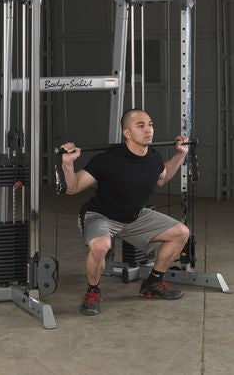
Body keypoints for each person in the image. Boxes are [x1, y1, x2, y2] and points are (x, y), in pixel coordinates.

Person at [60, 108, 191, 316]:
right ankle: (93, 292)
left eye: (150, 125)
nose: (148, 130)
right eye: (141, 126)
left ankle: (153, 283)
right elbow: (73, 188)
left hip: (134, 216)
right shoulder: (107, 160)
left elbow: (163, 178)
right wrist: (68, 164)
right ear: (127, 133)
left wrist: (180, 154)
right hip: (100, 216)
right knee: (101, 246)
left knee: (181, 233)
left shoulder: (154, 158)